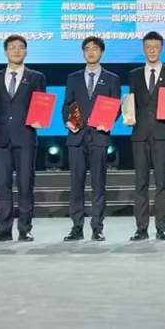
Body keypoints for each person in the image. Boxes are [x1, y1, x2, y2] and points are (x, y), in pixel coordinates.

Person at [0, 34, 47, 243]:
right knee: (2, 185)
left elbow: (41, 104)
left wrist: (40, 119)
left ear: (26, 51)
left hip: (26, 137)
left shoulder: (37, 77)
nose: (16, 51)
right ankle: (3, 229)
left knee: (25, 184)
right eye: (12, 47)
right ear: (5, 52)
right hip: (1, 138)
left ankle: (25, 229)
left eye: (21, 47)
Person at [62, 36, 121, 242]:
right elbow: (67, 105)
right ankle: (76, 227)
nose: (91, 52)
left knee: (98, 184)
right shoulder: (73, 78)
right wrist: (68, 121)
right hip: (76, 138)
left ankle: (97, 227)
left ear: (101, 52)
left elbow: (116, 107)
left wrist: (109, 120)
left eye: (95, 48)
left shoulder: (112, 78)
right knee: (76, 184)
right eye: (87, 49)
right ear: (83, 52)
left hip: (99, 137)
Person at [127, 31, 165, 241]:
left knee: (162, 183)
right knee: (140, 183)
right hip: (140, 135)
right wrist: (128, 114)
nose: (152, 50)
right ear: (143, 49)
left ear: (162, 49)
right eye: (148, 47)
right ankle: (141, 229)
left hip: (163, 134)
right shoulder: (134, 74)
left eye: (156, 47)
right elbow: (131, 102)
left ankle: (161, 228)